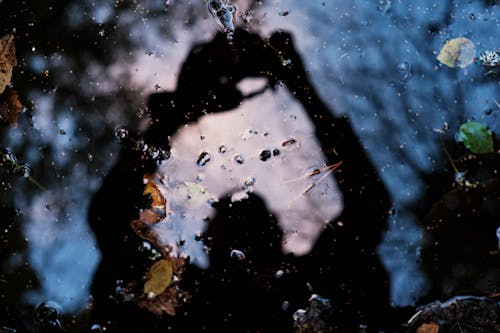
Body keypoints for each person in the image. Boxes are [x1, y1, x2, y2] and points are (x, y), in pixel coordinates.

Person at [88, 28, 408, 332]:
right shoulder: (312, 285)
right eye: (237, 215)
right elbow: (369, 206)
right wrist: (299, 85)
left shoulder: (179, 296)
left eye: (248, 217)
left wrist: (175, 115)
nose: (242, 221)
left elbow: (112, 220)